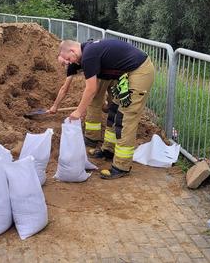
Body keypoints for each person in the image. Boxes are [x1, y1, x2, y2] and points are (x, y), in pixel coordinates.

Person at [58, 39, 155, 179]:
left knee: (125, 117)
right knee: (114, 111)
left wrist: (79, 111)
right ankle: (108, 150)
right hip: (127, 74)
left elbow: (91, 89)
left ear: (72, 51)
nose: (70, 62)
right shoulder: (88, 51)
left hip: (139, 71)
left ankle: (122, 166)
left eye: (68, 58)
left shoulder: (88, 56)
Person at [51, 52, 121, 157]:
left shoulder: (74, 63)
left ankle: (91, 138)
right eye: (62, 64)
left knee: (93, 102)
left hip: (102, 72)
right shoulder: (82, 53)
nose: (66, 64)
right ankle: (112, 143)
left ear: (68, 54)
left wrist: (55, 106)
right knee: (114, 105)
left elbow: (64, 89)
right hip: (116, 71)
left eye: (65, 61)